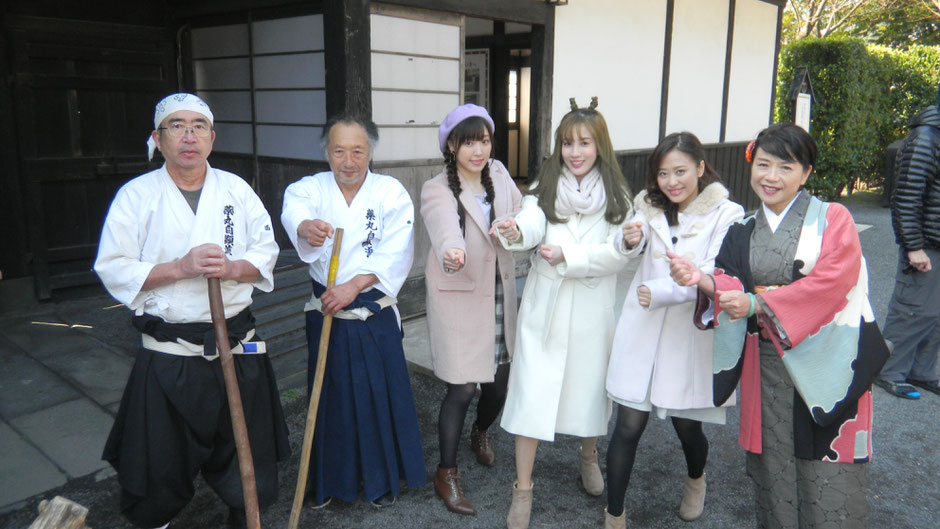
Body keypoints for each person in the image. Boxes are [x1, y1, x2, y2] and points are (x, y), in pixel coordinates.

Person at [668, 123, 888, 528]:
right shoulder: (744, 229)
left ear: (806, 173)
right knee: (773, 472)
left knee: (831, 475)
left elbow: (836, 282)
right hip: (767, 366)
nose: (771, 177)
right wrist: (702, 280)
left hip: (828, 364)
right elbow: (730, 279)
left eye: (785, 167)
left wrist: (759, 302)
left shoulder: (832, 219)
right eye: (763, 164)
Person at [95, 93, 290, 529]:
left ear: (212, 137)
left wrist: (236, 266)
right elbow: (113, 266)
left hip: (236, 349)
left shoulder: (235, 189)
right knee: (158, 465)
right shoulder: (136, 196)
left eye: (198, 126)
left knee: (248, 463)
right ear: (157, 139)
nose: (189, 135)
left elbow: (266, 248)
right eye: (177, 126)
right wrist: (179, 268)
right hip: (170, 354)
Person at [494, 97, 632, 529]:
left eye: (584, 143)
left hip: (592, 310)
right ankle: (522, 488)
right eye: (568, 143)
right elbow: (532, 221)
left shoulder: (618, 196)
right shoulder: (543, 186)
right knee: (532, 394)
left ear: (600, 147)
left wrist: (568, 256)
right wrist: (517, 231)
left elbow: (619, 253)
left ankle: (588, 455)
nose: (575, 152)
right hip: (546, 307)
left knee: (590, 392)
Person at [280, 113, 425, 509]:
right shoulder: (309, 188)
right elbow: (294, 210)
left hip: (370, 310)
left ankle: (380, 481)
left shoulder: (390, 192)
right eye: (338, 150)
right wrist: (306, 227)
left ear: (371, 151)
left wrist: (354, 285)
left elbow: (396, 249)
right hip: (328, 311)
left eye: (357, 150)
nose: (348, 160)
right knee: (330, 398)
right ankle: (329, 481)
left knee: (378, 392)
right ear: (327, 153)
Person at [604, 132, 744, 528]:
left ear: (701, 168)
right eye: (663, 173)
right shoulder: (647, 205)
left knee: (687, 425)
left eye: (680, 171)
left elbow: (718, 275)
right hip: (642, 329)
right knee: (627, 423)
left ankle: (696, 479)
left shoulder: (726, 213)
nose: (671, 182)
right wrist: (628, 238)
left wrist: (663, 290)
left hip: (688, 335)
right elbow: (628, 242)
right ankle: (614, 514)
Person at [420, 104, 523, 515]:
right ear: (451, 146)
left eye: (483, 140)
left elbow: (519, 209)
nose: (477, 150)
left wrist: (518, 225)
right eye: (468, 142)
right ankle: (446, 473)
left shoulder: (497, 172)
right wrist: (452, 252)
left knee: (499, 381)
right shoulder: (436, 187)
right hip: (459, 294)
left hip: (499, 291)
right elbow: (443, 226)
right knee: (461, 387)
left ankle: (480, 432)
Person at [874, 102, 940, 400]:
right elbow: (908, 193)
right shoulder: (927, 135)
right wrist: (913, 246)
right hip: (926, 241)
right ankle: (888, 371)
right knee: (912, 310)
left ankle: (922, 372)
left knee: (935, 314)